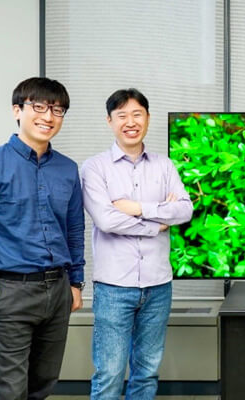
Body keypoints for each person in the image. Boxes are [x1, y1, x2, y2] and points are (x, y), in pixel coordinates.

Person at [0, 77, 85, 399]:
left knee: (42, 386)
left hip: (57, 293)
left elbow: (74, 229)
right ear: (17, 110)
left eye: (57, 110)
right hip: (9, 293)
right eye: (38, 107)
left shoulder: (68, 169)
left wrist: (76, 283)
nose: (48, 116)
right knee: (8, 392)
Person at [81, 88, 193, 399]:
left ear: (147, 118)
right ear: (109, 121)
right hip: (114, 287)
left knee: (146, 373)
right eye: (122, 116)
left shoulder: (164, 165)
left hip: (159, 285)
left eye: (137, 114)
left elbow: (184, 210)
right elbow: (106, 220)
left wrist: (138, 208)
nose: (130, 122)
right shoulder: (94, 168)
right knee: (109, 374)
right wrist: (158, 223)